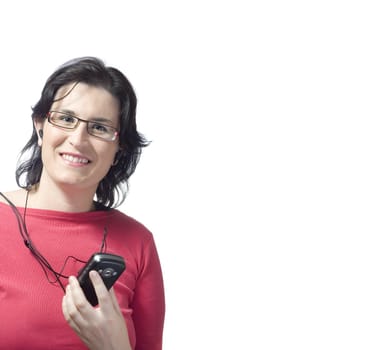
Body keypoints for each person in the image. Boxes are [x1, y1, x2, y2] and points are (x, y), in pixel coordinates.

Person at [0, 57, 165, 349]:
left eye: (100, 128)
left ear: (119, 148)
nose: (78, 139)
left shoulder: (138, 243)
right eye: (66, 119)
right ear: (41, 127)